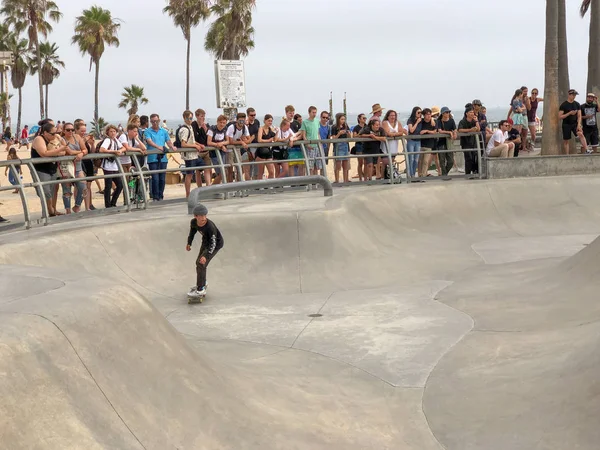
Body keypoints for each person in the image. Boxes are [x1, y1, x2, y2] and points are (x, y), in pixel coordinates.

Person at [186, 203, 224, 298]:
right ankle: (202, 282)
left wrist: (206, 256)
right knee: (198, 262)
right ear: (195, 216)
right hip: (206, 241)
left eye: (205, 215)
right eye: (201, 216)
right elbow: (192, 233)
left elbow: (213, 244)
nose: (204, 218)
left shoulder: (210, 227)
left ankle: (200, 289)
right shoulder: (193, 222)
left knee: (201, 263)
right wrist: (189, 243)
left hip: (215, 244)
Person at [31, 122, 67, 216]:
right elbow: (44, 153)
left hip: (52, 169)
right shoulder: (39, 139)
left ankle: (51, 211)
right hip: (41, 169)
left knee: (51, 191)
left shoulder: (56, 138)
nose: (54, 135)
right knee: (45, 192)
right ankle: (49, 212)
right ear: (45, 133)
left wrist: (60, 140)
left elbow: (65, 150)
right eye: (52, 133)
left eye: (56, 133)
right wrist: (58, 150)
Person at [145, 113, 177, 200]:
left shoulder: (164, 131)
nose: (154, 123)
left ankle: (160, 196)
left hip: (163, 158)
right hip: (152, 158)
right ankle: (155, 196)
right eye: (152, 121)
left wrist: (172, 147)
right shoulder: (147, 131)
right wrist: (158, 147)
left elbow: (168, 141)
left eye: (156, 121)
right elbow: (149, 141)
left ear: (159, 121)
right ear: (150, 122)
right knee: (155, 178)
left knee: (162, 178)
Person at [176, 110, 207, 198]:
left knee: (204, 167)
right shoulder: (184, 129)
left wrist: (198, 144)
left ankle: (199, 190)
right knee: (189, 174)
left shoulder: (190, 127)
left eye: (191, 118)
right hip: (189, 156)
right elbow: (183, 144)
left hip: (194, 155)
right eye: (188, 118)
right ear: (184, 118)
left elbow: (192, 140)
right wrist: (195, 146)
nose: (190, 120)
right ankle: (188, 194)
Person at [60, 122, 86, 213]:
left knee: (83, 186)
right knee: (67, 190)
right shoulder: (61, 139)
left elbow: (85, 149)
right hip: (66, 167)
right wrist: (79, 152)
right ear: (63, 131)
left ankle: (77, 206)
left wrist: (82, 153)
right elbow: (69, 152)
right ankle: (68, 210)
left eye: (72, 130)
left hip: (78, 167)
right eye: (68, 130)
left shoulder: (77, 137)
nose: (70, 131)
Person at [99, 125, 126, 208]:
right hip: (107, 166)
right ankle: (108, 205)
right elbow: (102, 149)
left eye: (114, 131)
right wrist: (114, 151)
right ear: (107, 132)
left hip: (114, 166)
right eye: (111, 131)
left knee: (120, 185)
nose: (113, 133)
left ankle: (113, 202)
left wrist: (120, 151)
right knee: (108, 186)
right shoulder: (107, 140)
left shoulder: (115, 140)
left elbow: (124, 147)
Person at [559, 89, 590, 154]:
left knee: (580, 134)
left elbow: (579, 115)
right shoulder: (563, 105)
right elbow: (560, 116)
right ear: (569, 95)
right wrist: (569, 113)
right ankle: (567, 155)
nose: (574, 96)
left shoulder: (577, 104)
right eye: (573, 95)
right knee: (566, 140)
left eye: (575, 95)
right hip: (566, 124)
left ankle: (587, 150)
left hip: (574, 123)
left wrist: (579, 124)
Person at [381, 110, 407, 180]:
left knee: (391, 161)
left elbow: (401, 132)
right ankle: (383, 177)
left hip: (394, 145)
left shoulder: (398, 123)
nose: (393, 117)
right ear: (388, 116)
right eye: (391, 115)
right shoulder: (385, 123)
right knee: (385, 162)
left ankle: (390, 176)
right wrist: (395, 133)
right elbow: (387, 133)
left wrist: (393, 134)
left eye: (394, 115)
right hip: (386, 146)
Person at [226, 112, 251, 181]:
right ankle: (230, 187)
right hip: (229, 150)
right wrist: (241, 142)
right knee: (230, 170)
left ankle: (238, 185)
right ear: (237, 120)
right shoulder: (231, 127)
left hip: (237, 149)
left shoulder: (244, 127)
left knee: (239, 168)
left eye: (243, 120)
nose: (241, 122)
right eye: (240, 120)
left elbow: (249, 140)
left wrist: (242, 141)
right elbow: (230, 141)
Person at [207, 115, 230, 185]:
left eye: (224, 123)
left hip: (222, 153)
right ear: (217, 122)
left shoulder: (225, 129)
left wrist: (222, 144)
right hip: (214, 154)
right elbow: (209, 142)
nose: (222, 124)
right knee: (221, 173)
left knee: (224, 172)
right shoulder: (212, 129)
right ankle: (212, 188)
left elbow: (228, 141)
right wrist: (218, 145)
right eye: (221, 122)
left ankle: (215, 189)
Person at [458, 107, 480, 176]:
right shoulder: (462, 121)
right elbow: (460, 130)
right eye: (470, 112)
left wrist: (476, 121)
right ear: (466, 113)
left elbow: (478, 129)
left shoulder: (474, 121)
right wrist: (470, 130)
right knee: (468, 158)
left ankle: (474, 172)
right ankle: (467, 173)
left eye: (473, 112)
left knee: (474, 157)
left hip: (473, 142)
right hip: (466, 142)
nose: (472, 114)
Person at [300, 106, 321, 175]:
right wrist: (307, 145)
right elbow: (304, 135)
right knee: (310, 166)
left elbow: (318, 133)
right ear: (309, 113)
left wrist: (319, 142)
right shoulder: (305, 122)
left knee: (317, 165)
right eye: (313, 112)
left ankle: (316, 182)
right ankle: (311, 182)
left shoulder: (317, 121)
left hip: (317, 146)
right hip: (310, 146)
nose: (314, 114)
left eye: (315, 112)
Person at [436, 107, 457, 177]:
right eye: (446, 112)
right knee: (442, 160)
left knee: (450, 161)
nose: (448, 114)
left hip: (449, 143)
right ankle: (444, 175)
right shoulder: (439, 121)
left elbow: (455, 129)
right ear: (442, 113)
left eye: (449, 112)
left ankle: (444, 173)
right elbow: (440, 131)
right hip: (441, 143)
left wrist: (454, 134)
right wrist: (449, 132)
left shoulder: (451, 121)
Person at [331, 113, 352, 183]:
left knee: (346, 164)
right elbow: (333, 138)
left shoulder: (346, 126)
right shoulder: (334, 127)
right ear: (338, 119)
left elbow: (350, 138)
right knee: (338, 164)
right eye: (342, 119)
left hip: (345, 146)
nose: (343, 121)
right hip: (337, 147)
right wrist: (339, 133)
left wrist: (348, 133)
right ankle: (337, 180)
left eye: (344, 119)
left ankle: (345, 180)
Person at [256, 114, 277, 179]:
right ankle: (258, 188)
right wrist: (268, 140)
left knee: (271, 171)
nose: (270, 122)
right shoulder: (261, 128)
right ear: (264, 121)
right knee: (261, 172)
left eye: (271, 121)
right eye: (268, 121)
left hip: (268, 151)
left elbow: (275, 139)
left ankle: (268, 186)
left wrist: (277, 132)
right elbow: (259, 140)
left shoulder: (271, 130)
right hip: (261, 151)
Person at [418, 108, 437, 178]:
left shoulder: (433, 122)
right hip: (420, 144)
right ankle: (420, 174)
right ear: (424, 115)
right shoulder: (421, 121)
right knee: (420, 161)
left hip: (429, 145)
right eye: (427, 114)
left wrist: (426, 131)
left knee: (426, 161)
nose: (429, 116)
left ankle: (423, 175)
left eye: (430, 114)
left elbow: (435, 131)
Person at [406, 107, 423, 178]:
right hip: (411, 141)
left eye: (420, 112)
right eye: (418, 112)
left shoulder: (422, 120)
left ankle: (413, 173)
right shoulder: (410, 120)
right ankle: (411, 174)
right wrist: (417, 122)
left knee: (416, 159)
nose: (420, 114)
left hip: (418, 141)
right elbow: (411, 130)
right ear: (414, 112)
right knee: (411, 158)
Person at [352, 114, 367, 181]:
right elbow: (354, 137)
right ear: (359, 119)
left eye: (365, 118)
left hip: (366, 145)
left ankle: (366, 178)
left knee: (366, 162)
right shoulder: (356, 127)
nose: (365, 119)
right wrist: (360, 134)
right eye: (363, 118)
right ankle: (360, 178)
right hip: (359, 145)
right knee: (360, 162)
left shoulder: (367, 127)